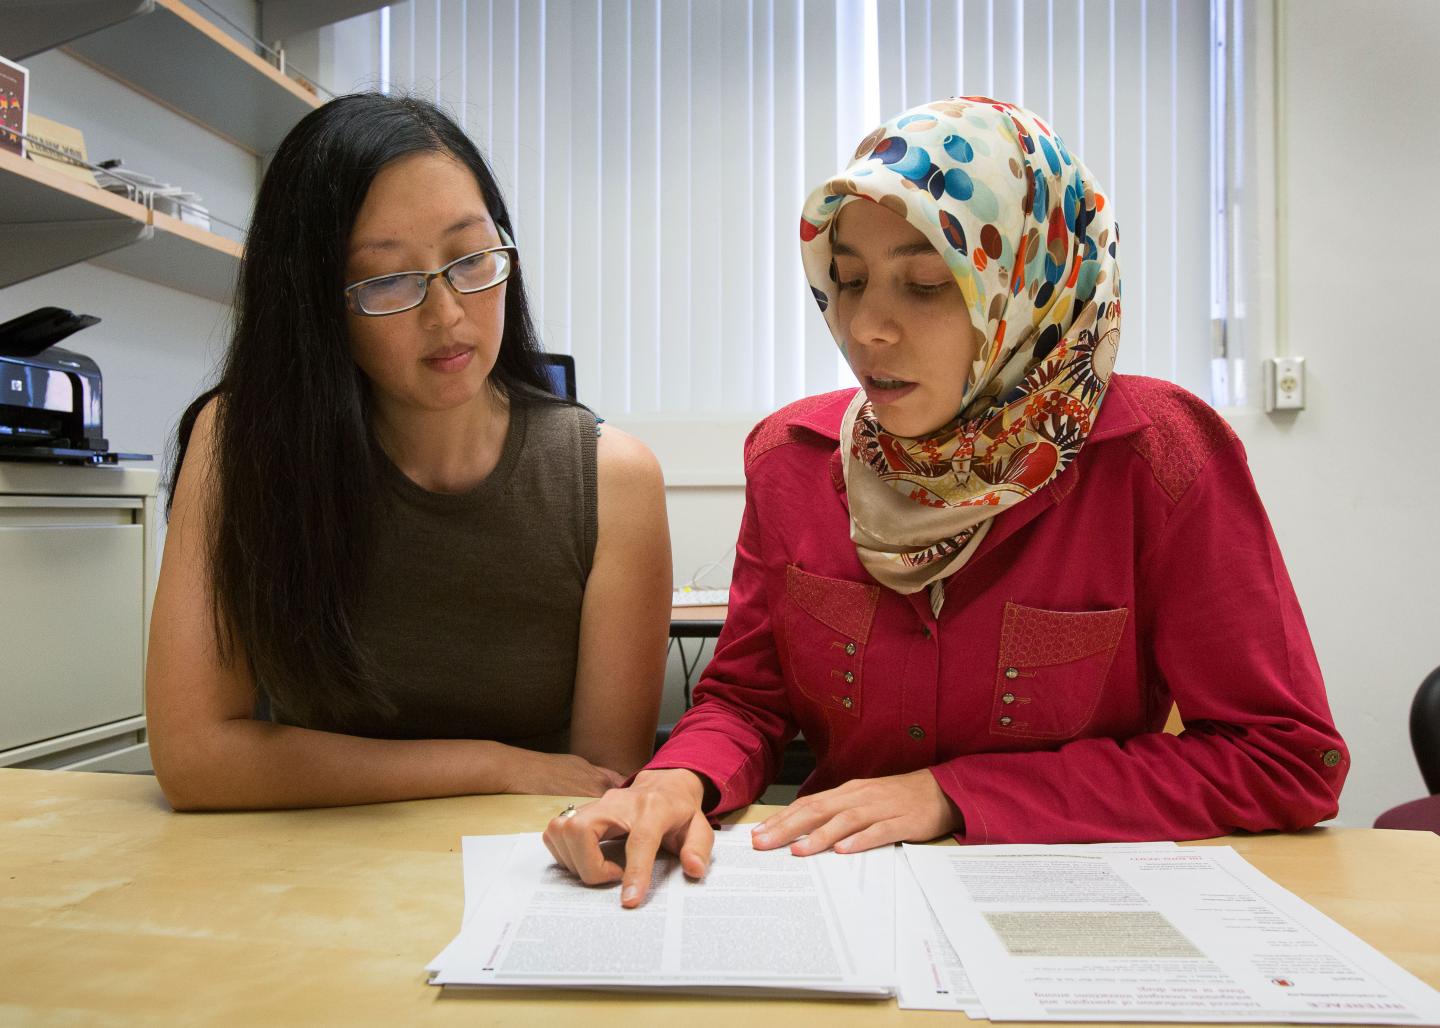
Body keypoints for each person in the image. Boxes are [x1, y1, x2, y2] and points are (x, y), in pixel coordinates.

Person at [544, 96, 1348, 906]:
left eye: (927, 283)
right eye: (848, 280)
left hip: (1074, 905)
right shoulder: (792, 460)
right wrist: (684, 775)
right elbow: (748, 700)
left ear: (1028, 286)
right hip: (848, 903)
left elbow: (1283, 757)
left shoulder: (1160, 457)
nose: (865, 328)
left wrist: (954, 794)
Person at [147, 93, 671, 810]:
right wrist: (491, 765)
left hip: (527, 876)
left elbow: (597, 785)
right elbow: (195, 757)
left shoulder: (613, 480)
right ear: (314, 305)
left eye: (470, 256)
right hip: (303, 874)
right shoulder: (245, 446)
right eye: (389, 278)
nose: (448, 312)